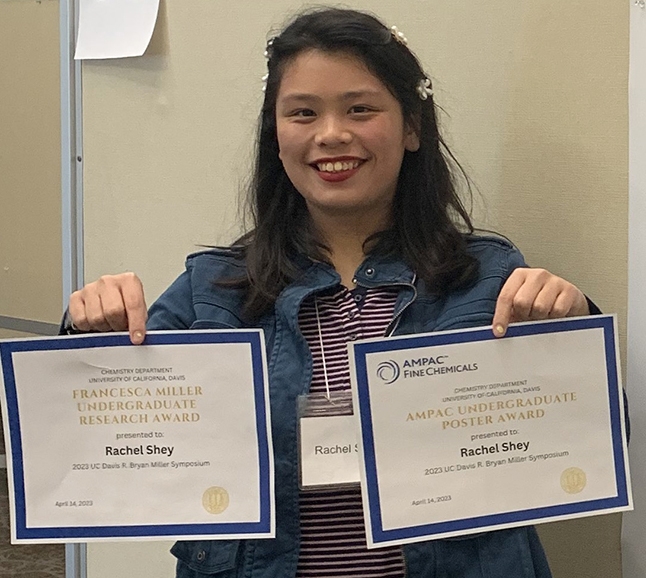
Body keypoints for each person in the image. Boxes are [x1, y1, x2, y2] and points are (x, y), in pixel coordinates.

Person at [67, 8, 594, 578]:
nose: (331, 134)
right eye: (302, 113)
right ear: (276, 133)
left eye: (360, 108)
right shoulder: (212, 289)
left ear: (412, 126)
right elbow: (91, 447)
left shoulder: (486, 279)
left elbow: (591, 440)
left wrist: (568, 323)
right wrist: (92, 332)